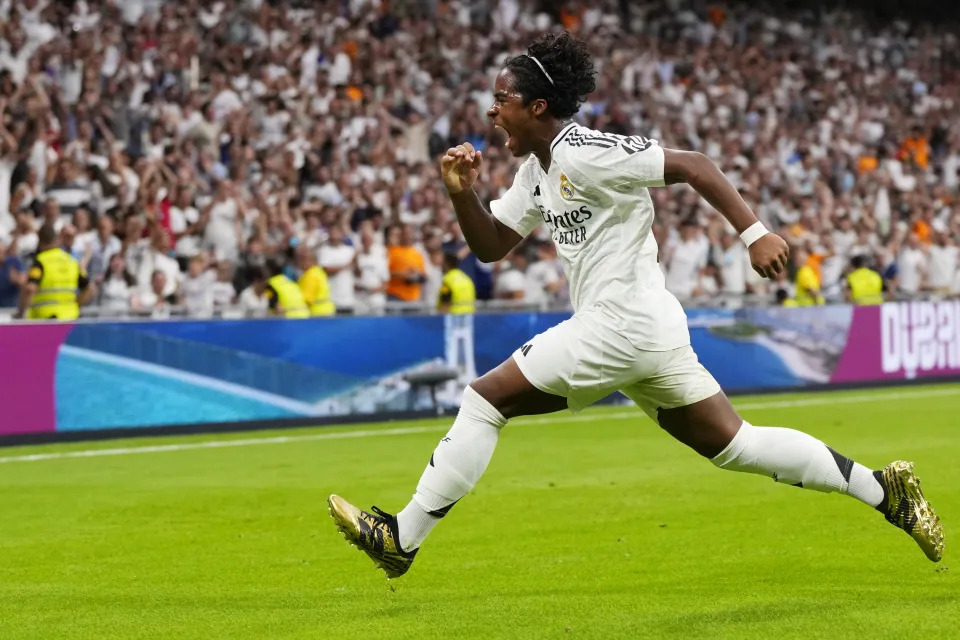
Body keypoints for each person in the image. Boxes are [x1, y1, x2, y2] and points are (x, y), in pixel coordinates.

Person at [328, 33, 943, 578]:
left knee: (485, 401)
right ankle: (886, 493)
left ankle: (401, 538)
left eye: (502, 100)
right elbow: (491, 246)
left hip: (619, 323)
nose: (492, 111)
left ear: (537, 107)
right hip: (645, 328)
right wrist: (462, 195)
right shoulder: (534, 172)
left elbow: (697, 166)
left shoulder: (587, 151)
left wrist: (755, 234)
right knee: (737, 446)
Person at [16, 223, 94, 320]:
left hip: (45, 319)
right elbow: (89, 288)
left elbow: (30, 289)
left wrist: (21, 312)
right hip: (70, 319)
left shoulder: (40, 262)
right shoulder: (72, 261)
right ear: (56, 240)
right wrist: (76, 305)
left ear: (40, 241)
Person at [296, 244, 336, 316]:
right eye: (299, 259)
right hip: (327, 311)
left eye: (303, 259)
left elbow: (306, 300)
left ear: (313, 260)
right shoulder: (319, 271)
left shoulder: (310, 275)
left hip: (318, 314)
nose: (300, 262)